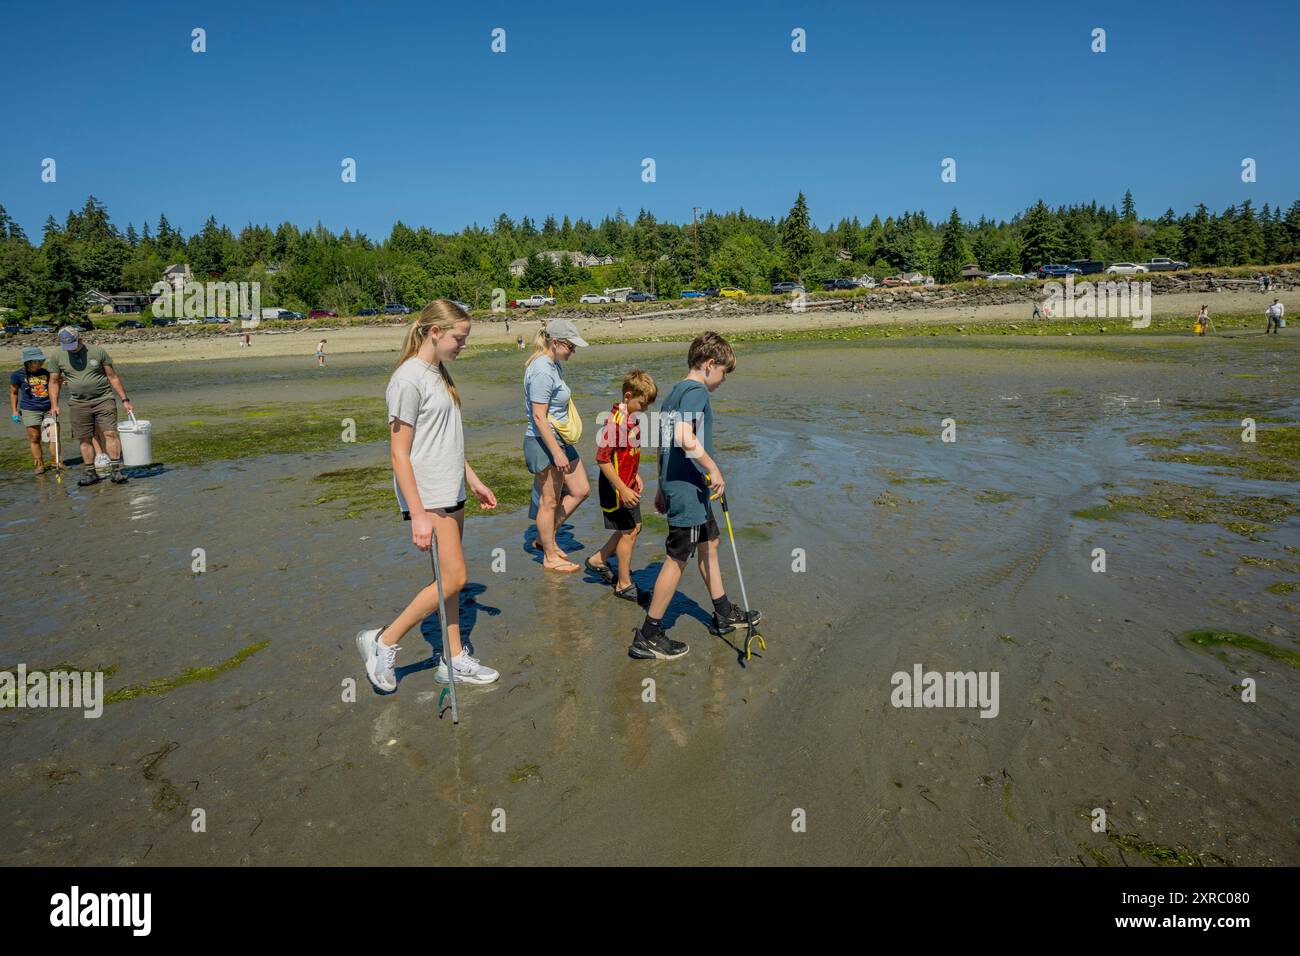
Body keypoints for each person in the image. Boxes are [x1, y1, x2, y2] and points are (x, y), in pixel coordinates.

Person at [356, 300, 500, 693]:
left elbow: (443, 439)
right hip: (428, 494)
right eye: (459, 338)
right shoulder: (407, 379)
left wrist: (472, 478)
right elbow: (398, 453)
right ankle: (383, 640)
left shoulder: (439, 374)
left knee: (447, 582)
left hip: (451, 489)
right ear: (434, 332)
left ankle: (452, 658)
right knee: (456, 578)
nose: (463, 345)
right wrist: (416, 513)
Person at [629, 331, 761, 660]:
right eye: (723, 372)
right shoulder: (696, 392)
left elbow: (663, 443)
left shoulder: (675, 392)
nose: (723, 380)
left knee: (709, 543)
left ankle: (723, 613)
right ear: (709, 364)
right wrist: (714, 469)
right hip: (688, 490)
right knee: (677, 558)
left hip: (684, 487)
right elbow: (682, 436)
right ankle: (649, 634)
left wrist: (660, 485)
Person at [585, 369, 658, 601]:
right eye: (642, 403)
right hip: (615, 489)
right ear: (628, 396)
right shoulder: (614, 423)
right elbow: (602, 459)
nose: (645, 409)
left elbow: (627, 453)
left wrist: (634, 476)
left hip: (627, 484)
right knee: (628, 532)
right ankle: (623, 584)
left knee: (634, 528)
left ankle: (598, 559)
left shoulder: (631, 420)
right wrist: (623, 489)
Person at [523, 318, 590, 572]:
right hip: (544, 441)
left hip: (558, 439)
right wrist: (556, 452)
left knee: (581, 489)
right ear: (556, 342)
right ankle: (550, 556)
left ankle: (544, 538)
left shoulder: (554, 365)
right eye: (571, 346)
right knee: (548, 501)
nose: (573, 351)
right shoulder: (541, 369)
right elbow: (539, 416)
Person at [47, 327, 133, 486]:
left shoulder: (98, 352)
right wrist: (54, 405)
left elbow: (112, 377)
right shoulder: (57, 356)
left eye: (73, 344)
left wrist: (124, 400)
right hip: (78, 403)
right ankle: (90, 472)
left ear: (80, 339)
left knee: (110, 433)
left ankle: (116, 470)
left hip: (104, 399)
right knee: (84, 438)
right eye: (67, 346)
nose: (71, 349)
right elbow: (53, 382)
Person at [9, 347, 54, 475]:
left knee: (53, 437)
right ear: (28, 362)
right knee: (35, 437)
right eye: (37, 361)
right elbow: (13, 393)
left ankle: (56, 462)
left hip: (48, 408)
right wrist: (14, 411)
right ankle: (39, 464)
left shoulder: (46, 372)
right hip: (29, 409)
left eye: (41, 360)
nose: (41, 363)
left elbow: (55, 386)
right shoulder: (17, 375)